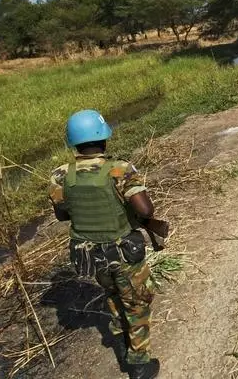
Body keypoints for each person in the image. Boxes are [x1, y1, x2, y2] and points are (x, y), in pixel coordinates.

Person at [49, 110, 162, 379]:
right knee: (136, 303)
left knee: (112, 296)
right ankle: (139, 364)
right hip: (124, 253)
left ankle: (121, 340)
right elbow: (146, 210)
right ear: (104, 138)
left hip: (91, 255)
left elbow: (62, 214)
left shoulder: (60, 175)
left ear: (73, 142)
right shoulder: (119, 170)